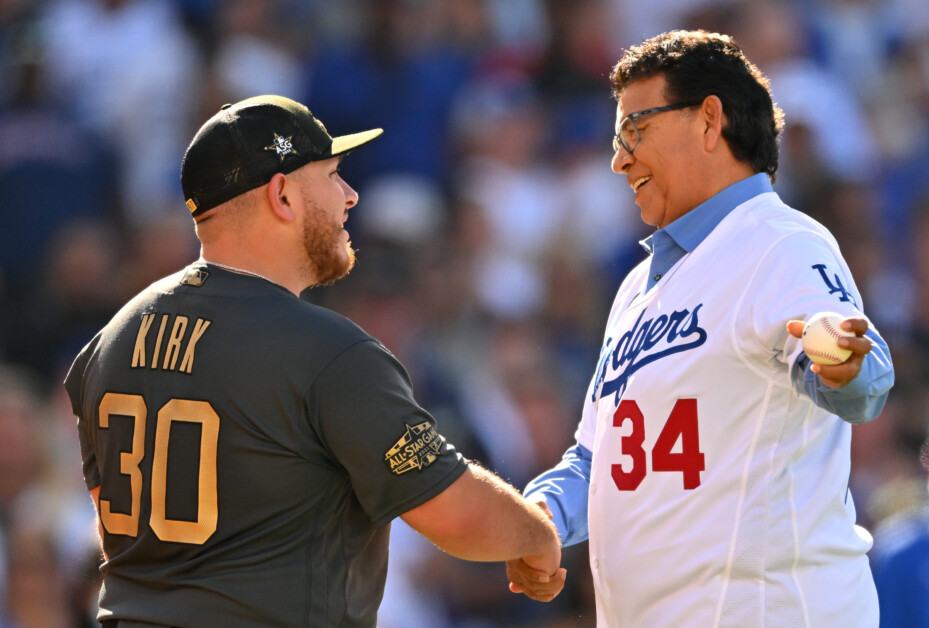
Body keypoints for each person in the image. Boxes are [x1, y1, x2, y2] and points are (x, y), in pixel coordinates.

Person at [63, 95, 565, 627]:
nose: (350, 196)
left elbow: (109, 514)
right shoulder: (330, 352)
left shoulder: (110, 339)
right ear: (282, 195)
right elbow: (458, 515)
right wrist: (538, 536)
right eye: (331, 176)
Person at [505, 30, 895, 626]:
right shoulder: (638, 287)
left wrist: (841, 359)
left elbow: (863, 380)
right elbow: (597, 458)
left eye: (634, 130)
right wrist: (542, 519)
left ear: (710, 121)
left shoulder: (780, 242)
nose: (619, 158)